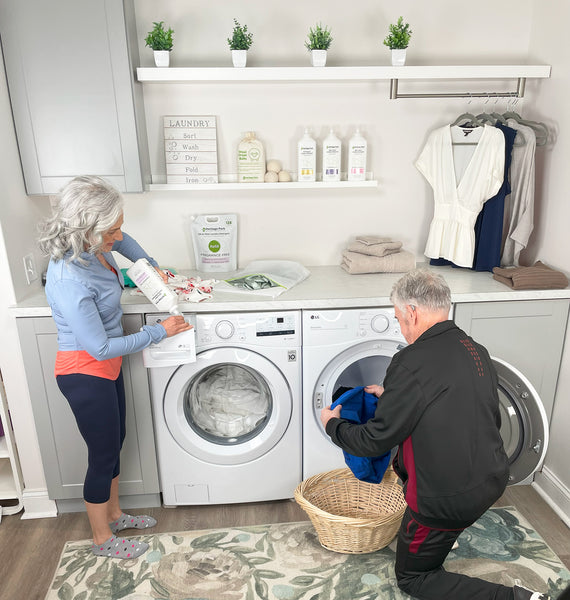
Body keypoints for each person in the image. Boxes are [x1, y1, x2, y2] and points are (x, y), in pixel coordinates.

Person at [320, 268, 550, 600]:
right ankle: (445, 533)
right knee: (429, 522)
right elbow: (464, 405)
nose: (401, 326)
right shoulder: (475, 350)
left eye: (399, 319)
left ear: (412, 312)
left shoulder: (409, 361)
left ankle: (517, 598)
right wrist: (395, 396)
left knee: (414, 577)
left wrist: (332, 424)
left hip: (445, 501)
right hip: (492, 479)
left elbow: (372, 441)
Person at [38, 175, 191, 559]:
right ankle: (102, 539)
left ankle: (116, 514)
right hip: (84, 373)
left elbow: (126, 243)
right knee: (102, 455)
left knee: (115, 442)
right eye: (112, 229)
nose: (118, 235)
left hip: (104, 370)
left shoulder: (94, 246)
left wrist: (150, 267)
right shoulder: (68, 278)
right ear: (87, 228)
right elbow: (101, 347)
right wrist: (160, 331)